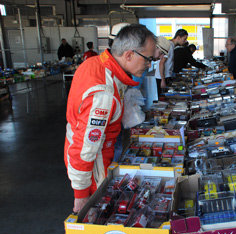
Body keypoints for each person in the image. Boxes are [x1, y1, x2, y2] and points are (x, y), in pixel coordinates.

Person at [64, 24, 156, 213]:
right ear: (129, 55)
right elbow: (84, 148)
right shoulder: (103, 93)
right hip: (92, 167)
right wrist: (81, 196)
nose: (149, 65)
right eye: (148, 59)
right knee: (95, 218)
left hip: (97, 157)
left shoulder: (97, 64)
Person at [155, 29, 188, 97]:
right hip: (162, 77)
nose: (185, 41)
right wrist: (163, 80)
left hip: (165, 76)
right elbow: (162, 63)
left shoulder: (171, 45)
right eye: (184, 39)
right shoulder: (169, 45)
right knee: (163, 97)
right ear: (178, 37)